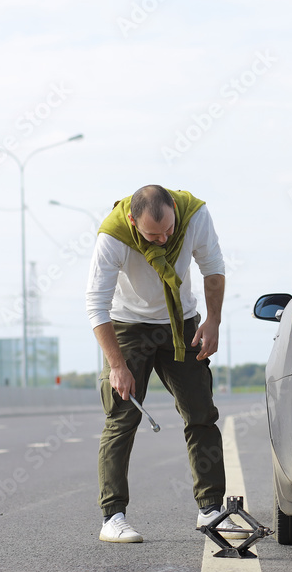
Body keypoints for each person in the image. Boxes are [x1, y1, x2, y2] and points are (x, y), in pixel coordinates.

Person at [85, 184, 249, 543]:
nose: (162, 240)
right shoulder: (112, 235)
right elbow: (96, 307)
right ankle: (113, 517)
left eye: (168, 231)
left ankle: (211, 510)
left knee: (201, 413)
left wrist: (214, 321)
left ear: (175, 209)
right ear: (132, 220)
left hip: (181, 321)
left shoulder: (195, 215)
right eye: (152, 235)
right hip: (128, 326)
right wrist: (117, 366)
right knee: (122, 416)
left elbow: (214, 269)